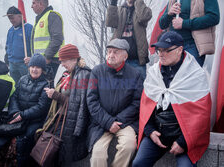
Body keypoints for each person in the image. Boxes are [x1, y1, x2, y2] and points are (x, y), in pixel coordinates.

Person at [132, 31, 212, 167]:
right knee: (138, 163)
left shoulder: (195, 75)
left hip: (185, 136)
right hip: (158, 132)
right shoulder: (153, 73)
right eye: (159, 50)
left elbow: (202, 116)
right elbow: (146, 107)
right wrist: (150, 131)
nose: (161, 54)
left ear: (180, 50)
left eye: (166, 50)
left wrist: (183, 142)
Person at [87, 38, 143, 167]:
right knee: (98, 154)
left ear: (125, 56)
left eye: (116, 52)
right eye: (109, 51)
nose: (111, 55)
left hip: (125, 122)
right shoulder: (97, 72)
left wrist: (118, 120)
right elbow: (92, 100)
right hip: (101, 123)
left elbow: (137, 102)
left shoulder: (135, 75)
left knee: (129, 146)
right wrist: (108, 122)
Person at [0, 54, 51, 167]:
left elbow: (41, 107)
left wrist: (22, 115)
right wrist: (15, 112)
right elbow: (14, 97)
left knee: (23, 140)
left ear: (42, 69)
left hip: (34, 120)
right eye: (32, 66)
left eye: (38, 67)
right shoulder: (22, 79)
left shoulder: (46, 85)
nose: (34, 69)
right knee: (1, 134)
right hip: (18, 115)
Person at [37, 44, 91, 166]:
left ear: (73, 59)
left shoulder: (83, 75)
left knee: (57, 155)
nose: (61, 64)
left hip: (68, 122)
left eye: (64, 61)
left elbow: (80, 104)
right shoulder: (66, 74)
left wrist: (56, 95)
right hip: (58, 118)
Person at [159, 0, 220, 67]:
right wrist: (169, 14)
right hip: (172, 47)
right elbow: (162, 25)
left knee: (190, 76)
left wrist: (184, 23)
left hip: (192, 46)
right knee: (171, 77)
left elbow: (214, 17)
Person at [106, 0, 152, 80]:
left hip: (137, 60)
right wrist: (113, 4)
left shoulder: (144, 10)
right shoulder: (119, 10)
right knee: (116, 87)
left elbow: (143, 17)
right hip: (118, 60)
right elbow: (110, 23)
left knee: (139, 89)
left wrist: (138, 2)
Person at [27, 0, 64, 85]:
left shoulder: (52, 16)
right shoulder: (41, 18)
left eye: (33, 3)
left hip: (50, 60)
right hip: (41, 61)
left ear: (41, 4)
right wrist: (33, 59)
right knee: (39, 88)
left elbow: (57, 39)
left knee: (46, 88)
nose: (31, 6)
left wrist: (47, 57)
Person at [5, 6, 33, 84]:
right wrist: (6, 57)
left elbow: (33, 46)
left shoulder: (29, 28)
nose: (11, 20)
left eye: (12, 18)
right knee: (15, 85)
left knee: (27, 84)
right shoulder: (10, 30)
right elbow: (7, 45)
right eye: (9, 18)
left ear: (20, 16)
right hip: (12, 64)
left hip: (24, 64)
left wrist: (31, 58)